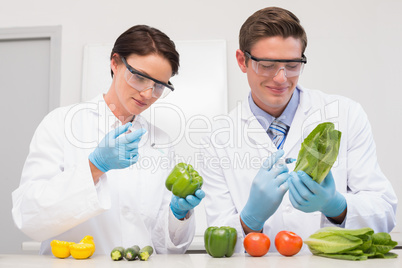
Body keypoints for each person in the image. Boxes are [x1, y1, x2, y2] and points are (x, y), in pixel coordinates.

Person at [199, 7, 397, 253]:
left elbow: (385, 212)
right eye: (268, 65)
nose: (281, 78)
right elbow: (219, 241)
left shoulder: (346, 114)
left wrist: (337, 206)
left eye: (292, 65)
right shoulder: (217, 138)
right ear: (242, 61)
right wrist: (249, 221)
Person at [12, 25, 205, 255]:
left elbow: (165, 247)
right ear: (115, 63)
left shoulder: (160, 142)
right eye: (140, 77)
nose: (147, 93)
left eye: (159, 86)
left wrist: (178, 215)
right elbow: (29, 216)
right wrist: (94, 167)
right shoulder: (61, 124)